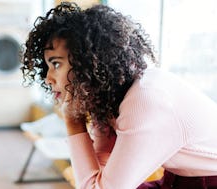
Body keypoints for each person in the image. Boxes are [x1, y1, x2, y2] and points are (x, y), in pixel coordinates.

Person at [20, 2, 217, 189]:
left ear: (87, 60)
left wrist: (73, 121)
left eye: (55, 64)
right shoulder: (111, 97)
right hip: (180, 179)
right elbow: (99, 173)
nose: (47, 78)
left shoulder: (145, 100)